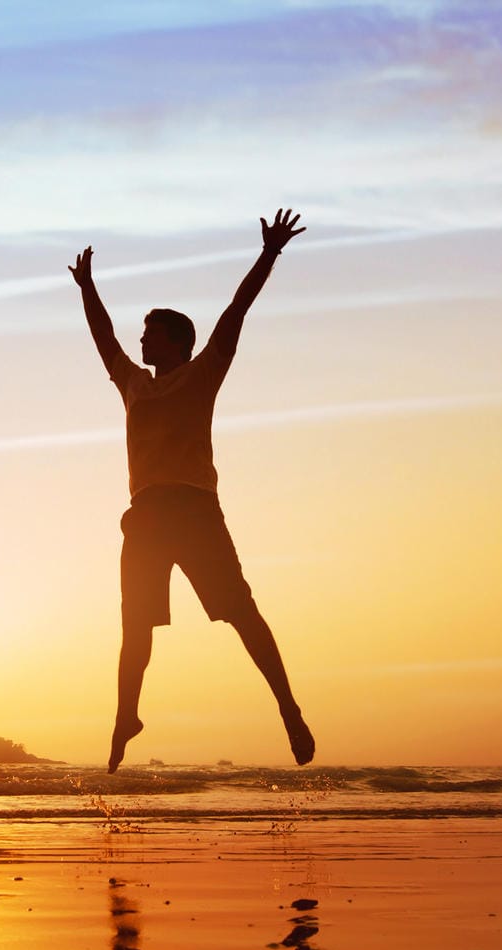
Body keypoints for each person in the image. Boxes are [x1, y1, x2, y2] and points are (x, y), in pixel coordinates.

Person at [69, 209, 315, 773]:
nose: (141, 339)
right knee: (135, 628)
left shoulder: (203, 373)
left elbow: (236, 312)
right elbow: (103, 337)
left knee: (242, 613)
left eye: (150, 332)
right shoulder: (133, 383)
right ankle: (126, 716)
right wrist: (88, 288)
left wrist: (269, 253)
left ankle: (289, 707)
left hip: (196, 509)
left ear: (176, 341)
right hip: (146, 515)